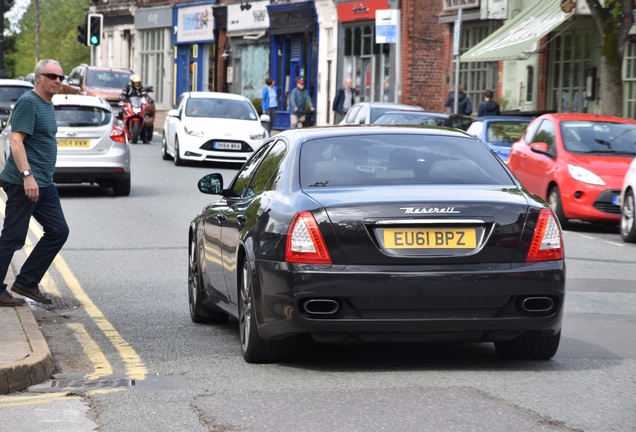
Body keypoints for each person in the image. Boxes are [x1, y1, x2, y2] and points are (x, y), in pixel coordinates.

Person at [0, 59, 70, 306]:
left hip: (43, 183)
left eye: (61, 77)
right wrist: (27, 175)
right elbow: (15, 141)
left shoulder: (47, 104)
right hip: (24, 182)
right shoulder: (29, 103)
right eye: (52, 76)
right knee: (13, 237)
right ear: (38, 77)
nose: (58, 81)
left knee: (59, 230)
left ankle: (27, 282)